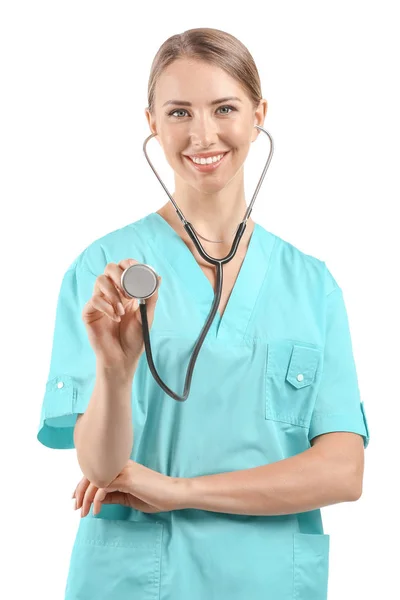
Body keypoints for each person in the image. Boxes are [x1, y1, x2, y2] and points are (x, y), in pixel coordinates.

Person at [37, 27, 370, 600]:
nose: (202, 134)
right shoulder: (104, 270)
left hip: (268, 582)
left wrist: (180, 490)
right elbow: (99, 466)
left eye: (224, 108)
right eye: (179, 111)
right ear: (151, 123)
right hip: (137, 583)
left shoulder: (313, 285)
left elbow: (343, 471)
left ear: (259, 114)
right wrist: (116, 374)